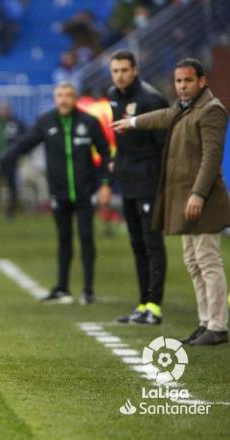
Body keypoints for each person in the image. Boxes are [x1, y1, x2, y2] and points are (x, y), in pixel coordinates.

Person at [113, 58, 230, 345]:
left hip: (203, 200)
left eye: (188, 81)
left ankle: (218, 325)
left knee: (208, 260)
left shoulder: (212, 111)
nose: (182, 86)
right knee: (193, 262)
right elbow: (163, 116)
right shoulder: (182, 108)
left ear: (202, 81)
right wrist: (134, 122)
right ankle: (205, 323)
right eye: (178, 81)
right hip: (185, 199)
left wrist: (199, 194)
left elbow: (211, 158)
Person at [0, 83, 112, 304]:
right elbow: (22, 145)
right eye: (60, 95)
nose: (64, 99)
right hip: (59, 193)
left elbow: (105, 154)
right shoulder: (46, 122)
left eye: (68, 95)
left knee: (85, 237)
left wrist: (105, 184)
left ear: (76, 98)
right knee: (63, 239)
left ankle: (88, 289)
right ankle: (62, 287)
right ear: (55, 98)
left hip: (85, 192)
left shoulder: (89, 122)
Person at [107, 50, 169, 325]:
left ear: (134, 70)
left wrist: (163, 183)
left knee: (152, 243)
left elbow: (165, 144)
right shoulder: (113, 96)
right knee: (136, 244)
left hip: (149, 182)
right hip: (128, 181)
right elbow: (121, 141)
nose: (119, 75)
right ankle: (143, 303)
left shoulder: (151, 99)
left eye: (123, 70)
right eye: (115, 71)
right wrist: (116, 163)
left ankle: (154, 306)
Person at [0, 101, 25, 217]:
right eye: (1, 109)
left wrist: (20, 154)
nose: (3, 112)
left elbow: (25, 139)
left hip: (11, 160)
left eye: (5, 109)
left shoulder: (16, 123)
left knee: (12, 186)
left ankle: (11, 211)